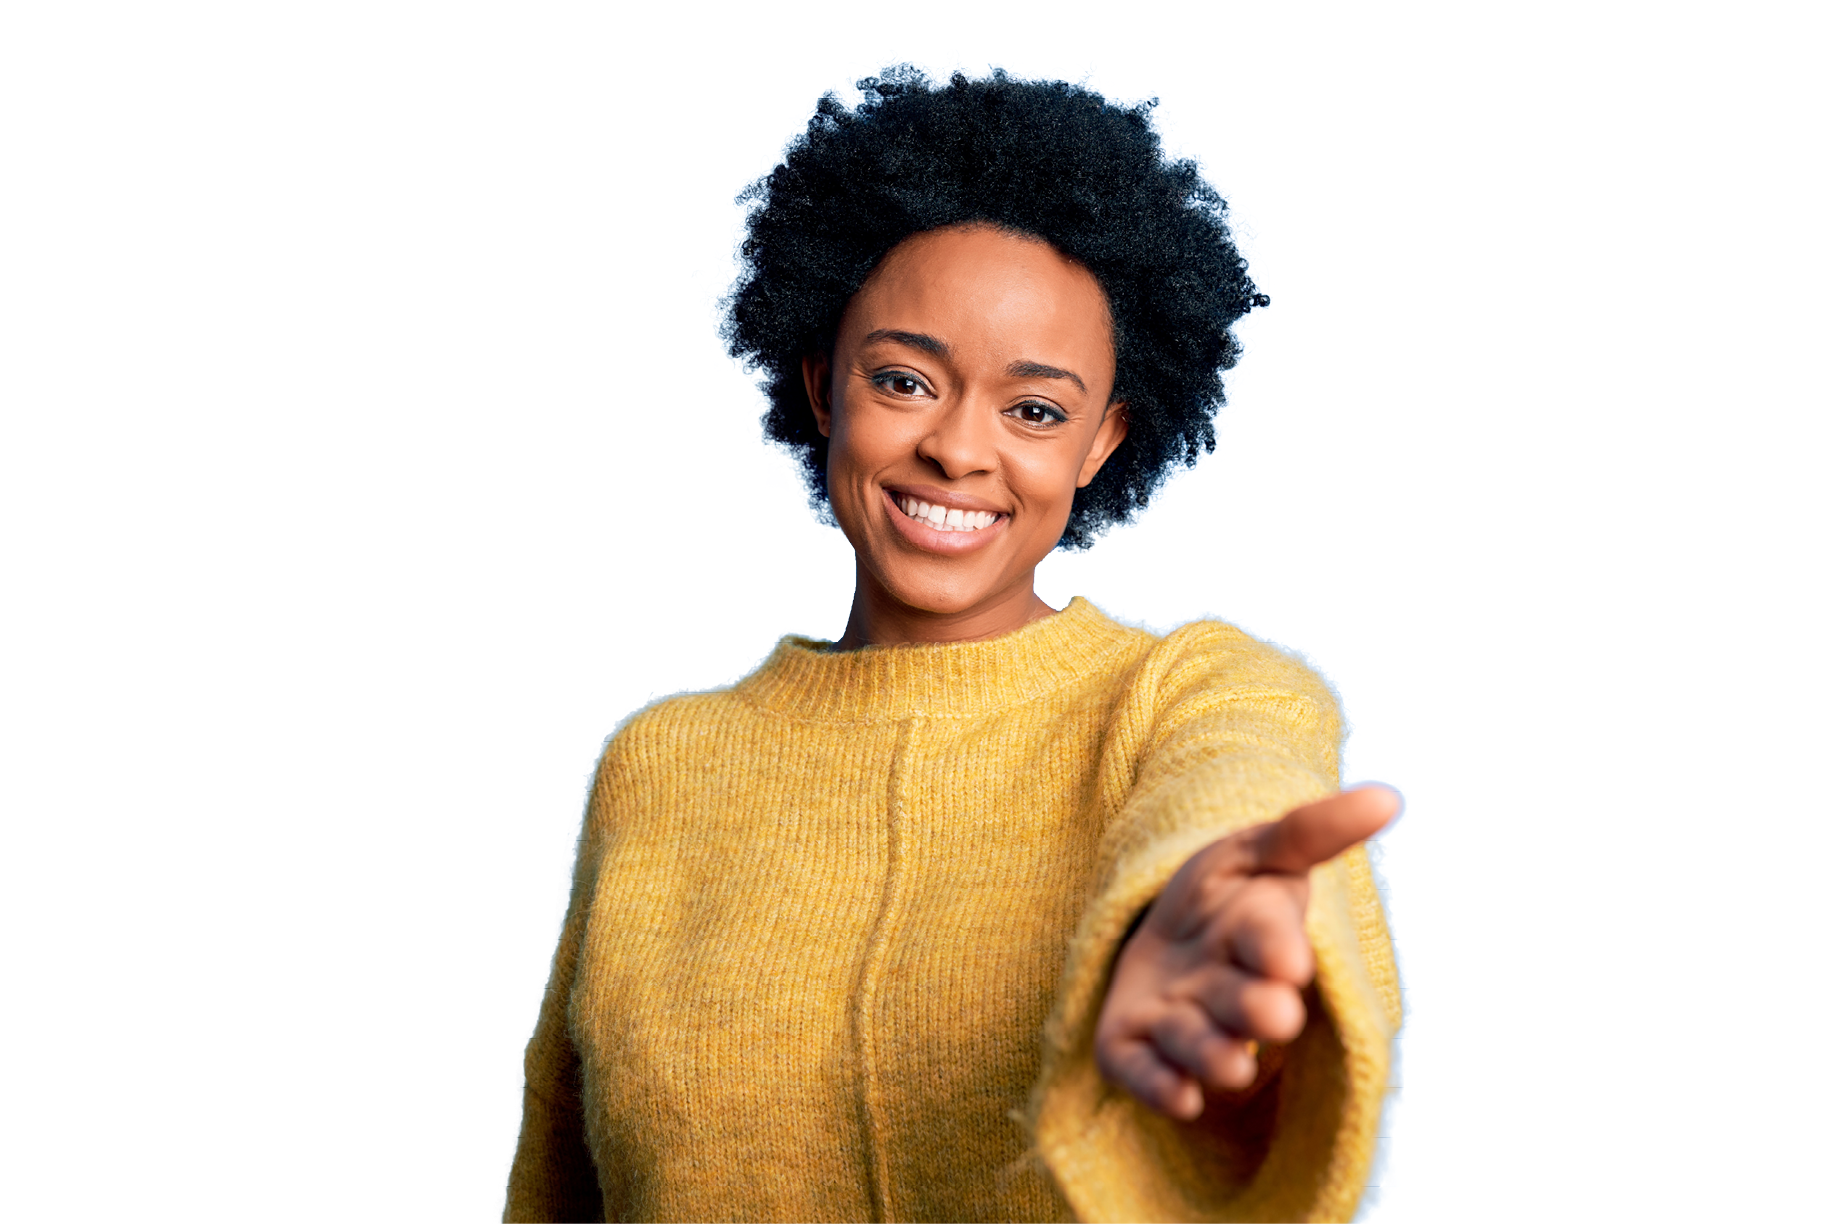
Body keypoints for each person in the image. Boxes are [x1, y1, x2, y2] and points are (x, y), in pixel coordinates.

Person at [499, 59, 1407, 1224]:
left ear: (1102, 440)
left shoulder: (1196, 695)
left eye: (1035, 410)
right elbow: (556, 1191)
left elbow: (1230, 807)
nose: (959, 451)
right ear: (825, 386)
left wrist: (1190, 930)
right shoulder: (655, 768)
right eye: (905, 381)